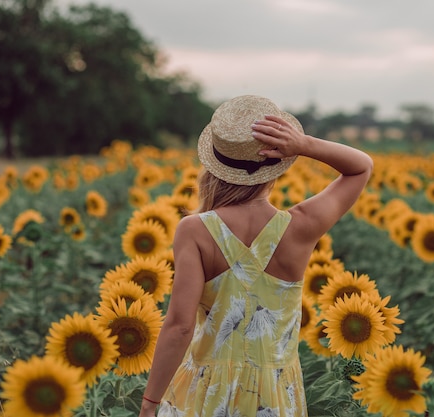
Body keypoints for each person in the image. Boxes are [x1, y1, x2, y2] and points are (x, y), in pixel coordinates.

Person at [139, 95, 373, 417]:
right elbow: (361, 167)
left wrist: (150, 402)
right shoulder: (301, 227)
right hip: (275, 394)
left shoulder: (195, 230)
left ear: (213, 167)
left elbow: (179, 327)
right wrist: (303, 145)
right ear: (277, 166)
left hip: (208, 392)